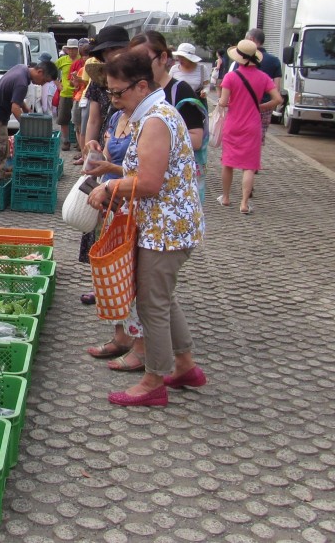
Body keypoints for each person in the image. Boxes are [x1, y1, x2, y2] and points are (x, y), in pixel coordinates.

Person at [86, 48, 206, 407]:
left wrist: (108, 188)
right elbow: (149, 172)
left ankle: (154, 380)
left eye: (117, 93)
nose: (113, 101)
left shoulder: (155, 118)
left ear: (141, 86)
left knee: (152, 305)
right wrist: (112, 171)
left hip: (165, 229)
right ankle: (184, 366)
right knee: (162, 300)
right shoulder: (151, 113)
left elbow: (151, 182)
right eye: (109, 93)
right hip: (165, 225)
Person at [80, 104, 142, 371]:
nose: (112, 96)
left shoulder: (148, 121)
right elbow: (106, 156)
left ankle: (138, 345)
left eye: (117, 90)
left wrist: (111, 172)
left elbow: (144, 176)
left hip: (135, 208)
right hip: (113, 204)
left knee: (132, 277)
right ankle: (121, 336)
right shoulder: (117, 116)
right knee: (114, 273)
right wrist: (94, 152)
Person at [77, 25, 131, 265]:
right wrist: (88, 148)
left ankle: (117, 278)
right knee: (98, 216)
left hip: (127, 148)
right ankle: (100, 277)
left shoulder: (136, 78)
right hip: (106, 147)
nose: (109, 57)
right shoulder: (99, 81)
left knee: (121, 222)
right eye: (105, 53)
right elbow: (94, 118)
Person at [131, 31, 207, 202]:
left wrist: (155, 138)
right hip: (141, 191)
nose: (138, 68)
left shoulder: (180, 91)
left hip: (173, 193)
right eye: (134, 61)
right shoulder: (137, 90)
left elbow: (196, 139)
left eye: (144, 60)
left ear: (163, 58)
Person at [217, 39, 283, 214]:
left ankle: (225, 198)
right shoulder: (264, 77)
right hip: (253, 125)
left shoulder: (231, 77)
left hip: (233, 124)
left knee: (228, 163)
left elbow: (223, 102)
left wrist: (226, 102)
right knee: (249, 166)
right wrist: (261, 107)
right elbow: (278, 99)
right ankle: (244, 203)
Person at [0, 59, 58, 179]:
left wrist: (26, 110)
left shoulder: (22, 68)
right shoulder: (22, 82)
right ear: (40, 72)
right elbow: (14, 108)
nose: (42, 85)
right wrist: (27, 125)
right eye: (44, 81)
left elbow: (16, 97)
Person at [237, 28, 283, 147]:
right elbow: (277, 87)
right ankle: (250, 163)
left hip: (243, 106)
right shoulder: (274, 61)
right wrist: (265, 106)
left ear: (251, 39)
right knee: (257, 141)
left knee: (240, 139)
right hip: (264, 107)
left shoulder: (242, 59)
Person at [70, 40, 91, 165]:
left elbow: (91, 84)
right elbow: (76, 85)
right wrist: (75, 80)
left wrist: (80, 80)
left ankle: (85, 155)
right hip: (78, 98)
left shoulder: (92, 66)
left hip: (86, 98)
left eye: (87, 54)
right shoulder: (82, 68)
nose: (85, 57)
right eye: (83, 55)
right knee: (77, 127)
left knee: (84, 128)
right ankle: (83, 153)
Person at [56, 40, 80, 149]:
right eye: (70, 49)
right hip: (65, 93)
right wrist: (57, 83)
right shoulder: (62, 60)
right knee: (63, 118)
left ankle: (79, 142)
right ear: (66, 50)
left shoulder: (82, 60)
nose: (72, 51)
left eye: (74, 48)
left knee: (78, 119)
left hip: (78, 94)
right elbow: (51, 70)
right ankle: (65, 141)